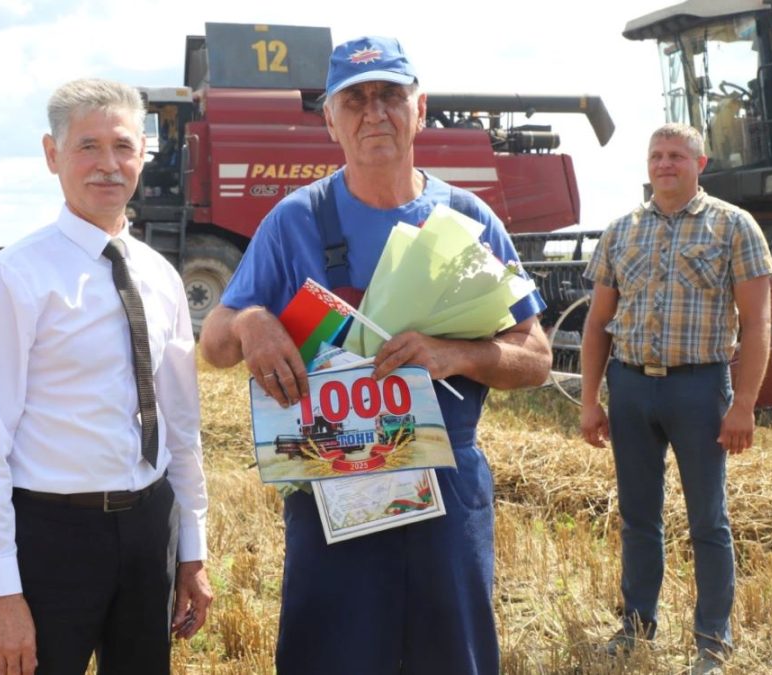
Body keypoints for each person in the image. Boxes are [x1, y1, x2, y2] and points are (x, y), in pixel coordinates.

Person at [200, 36, 551, 674]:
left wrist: (456, 354)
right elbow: (213, 344)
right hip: (332, 482)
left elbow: (535, 357)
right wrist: (251, 321)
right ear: (329, 119)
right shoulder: (293, 221)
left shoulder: (467, 218)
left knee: (450, 657)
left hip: (446, 487)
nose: (374, 113)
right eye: (355, 99)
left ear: (421, 108)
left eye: (390, 94)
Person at [0, 78, 212, 675]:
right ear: (53, 155)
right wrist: (0, 595)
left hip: (151, 530)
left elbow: (182, 427)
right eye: (87, 147)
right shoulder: (15, 277)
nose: (107, 165)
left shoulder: (161, 277)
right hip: (50, 539)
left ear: (143, 154)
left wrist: (191, 553)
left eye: (122, 146)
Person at [579, 123, 772, 675]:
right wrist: (590, 401)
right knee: (638, 518)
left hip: (699, 388)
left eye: (676, 156)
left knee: (708, 521)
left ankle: (712, 643)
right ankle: (635, 629)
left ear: (700, 163)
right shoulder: (621, 232)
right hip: (632, 385)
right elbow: (597, 324)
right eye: (656, 155)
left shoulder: (734, 227)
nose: (665, 164)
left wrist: (744, 406)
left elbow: (757, 325)